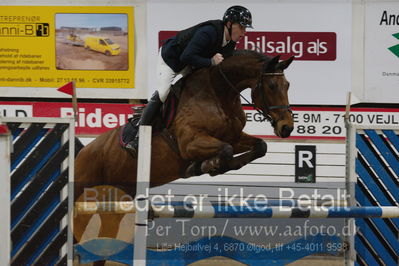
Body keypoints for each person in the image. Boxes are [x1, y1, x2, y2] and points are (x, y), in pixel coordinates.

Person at [126, 5, 253, 153]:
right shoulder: (209, 32)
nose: (244, 32)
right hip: (171, 59)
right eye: (242, 27)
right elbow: (186, 56)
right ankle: (137, 136)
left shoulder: (231, 42)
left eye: (246, 28)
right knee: (163, 92)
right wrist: (210, 62)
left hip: (190, 62)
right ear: (230, 24)